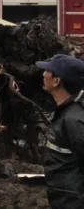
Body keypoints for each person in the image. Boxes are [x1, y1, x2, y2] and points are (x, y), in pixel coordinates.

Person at [36, 54, 84, 208]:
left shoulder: (72, 121)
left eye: (47, 71)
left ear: (56, 81)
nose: (43, 74)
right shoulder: (65, 113)